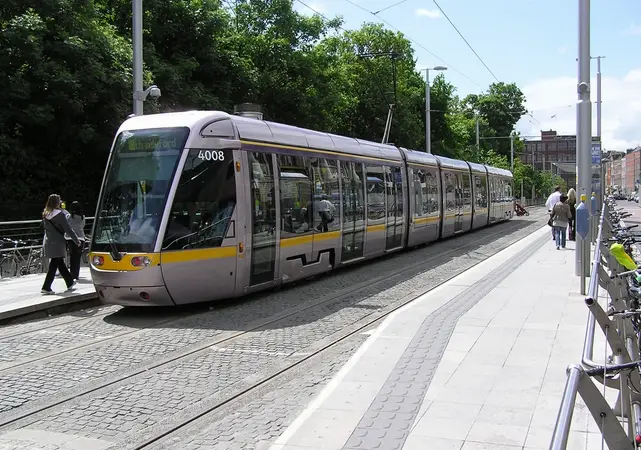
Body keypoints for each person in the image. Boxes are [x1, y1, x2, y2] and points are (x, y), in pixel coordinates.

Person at [41, 194, 81, 294]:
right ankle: (46, 287)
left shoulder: (46, 213)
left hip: (49, 241)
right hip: (58, 243)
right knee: (55, 264)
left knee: (59, 263)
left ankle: (69, 282)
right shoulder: (60, 214)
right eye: (59, 201)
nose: (61, 202)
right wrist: (76, 240)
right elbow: (68, 229)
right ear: (57, 202)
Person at [66, 201, 86, 280]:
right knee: (77, 257)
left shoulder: (68, 217)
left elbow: (67, 226)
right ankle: (76, 275)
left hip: (70, 238)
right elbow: (83, 226)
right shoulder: (82, 217)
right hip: (80, 237)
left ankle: (72, 274)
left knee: (72, 256)